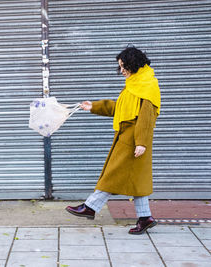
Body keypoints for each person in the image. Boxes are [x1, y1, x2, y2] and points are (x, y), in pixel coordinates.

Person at [66, 46, 161, 235]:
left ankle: (90, 206)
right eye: (120, 67)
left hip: (134, 138)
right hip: (127, 136)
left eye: (124, 66)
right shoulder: (134, 84)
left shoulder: (147, 86)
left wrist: (141, 142)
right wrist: (93, 106)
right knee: (137, 182)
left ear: (133, 64)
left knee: (112, 174)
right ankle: (145, 218)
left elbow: (146, 117)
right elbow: (120, 107)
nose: (122, 70)